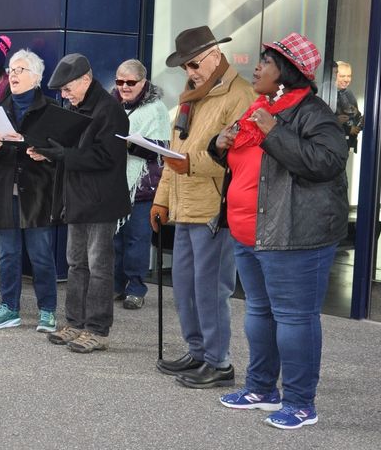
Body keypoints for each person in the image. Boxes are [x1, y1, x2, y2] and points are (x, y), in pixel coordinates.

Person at [212, 33, 347, 429]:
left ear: (286, 73)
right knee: (259, 313)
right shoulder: (261, 107)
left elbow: (326, 163)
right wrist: (217, 145)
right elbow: (244, 163)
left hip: (294, 235)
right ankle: (261, 389)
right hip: (250, 232)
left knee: (294, 319)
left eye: (266, 62)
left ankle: (302, 403)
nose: (257, 67)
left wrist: (273, 131)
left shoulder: (313, 114)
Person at [150, 26, 254, 388]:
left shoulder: (240, 95)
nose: (190, 72)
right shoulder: (191, 98)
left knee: (211, 288)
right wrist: (162, 198)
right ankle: (197, 352)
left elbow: (239, 154)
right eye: (185, 67)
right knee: (185, 286)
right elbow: (171, 156)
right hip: (183, 205)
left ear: (214, 55)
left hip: (214, 207)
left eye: (193, 64)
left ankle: (218, 361)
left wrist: (191, 163)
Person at [41, 53, 129, 353]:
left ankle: (98, 330)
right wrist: (49, 152)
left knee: (99, 266)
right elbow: (67, 148)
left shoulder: (110, 110)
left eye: (67, 89)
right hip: (77, 198)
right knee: (76, 264)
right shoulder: (75, 107)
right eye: (62, 92)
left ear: (85, 80)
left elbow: (107, 157)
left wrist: (63, 155)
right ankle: (75, 324)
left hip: (101, 201)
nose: (64, 96)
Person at [0, 52, 64, 329]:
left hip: (36, 192)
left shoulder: (50, 110)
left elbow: (59, 152)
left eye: (20, 70)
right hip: (3, 192)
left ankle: (47, 309)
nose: (13, 74)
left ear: (36, 78)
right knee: (8, 254)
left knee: (40, 254)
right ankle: (9, 307)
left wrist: (31, 144)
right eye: (11, 69)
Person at [111, 60, 170, 310]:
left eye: (130, 82)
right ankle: (115, 285)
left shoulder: (156, 108)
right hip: (114, 184)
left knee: (136, 240)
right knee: (114, 239)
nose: (124, 86)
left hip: (143, 187)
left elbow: (163, 150)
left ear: (143, 82)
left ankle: (136, 288)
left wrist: (130, 144)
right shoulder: (111, 105)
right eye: (119, 81)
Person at [334, 61, 364, 152]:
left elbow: (356, 116)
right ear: (334, 75)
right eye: (342, 76)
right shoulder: (328, 93)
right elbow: (322, 120)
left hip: (347, 144)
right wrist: (348, 129)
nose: (346, 79)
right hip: (333, 143)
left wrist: (360, 120)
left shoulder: (349, 93)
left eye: (349, 76)